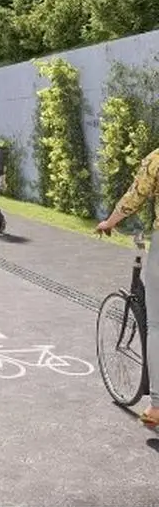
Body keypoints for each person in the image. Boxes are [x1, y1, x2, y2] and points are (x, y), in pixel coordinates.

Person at [95, 145, 159, 425]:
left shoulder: (156, 159)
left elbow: (135, 197)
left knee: (157, 324)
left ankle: (157, 405)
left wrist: (109, 222)